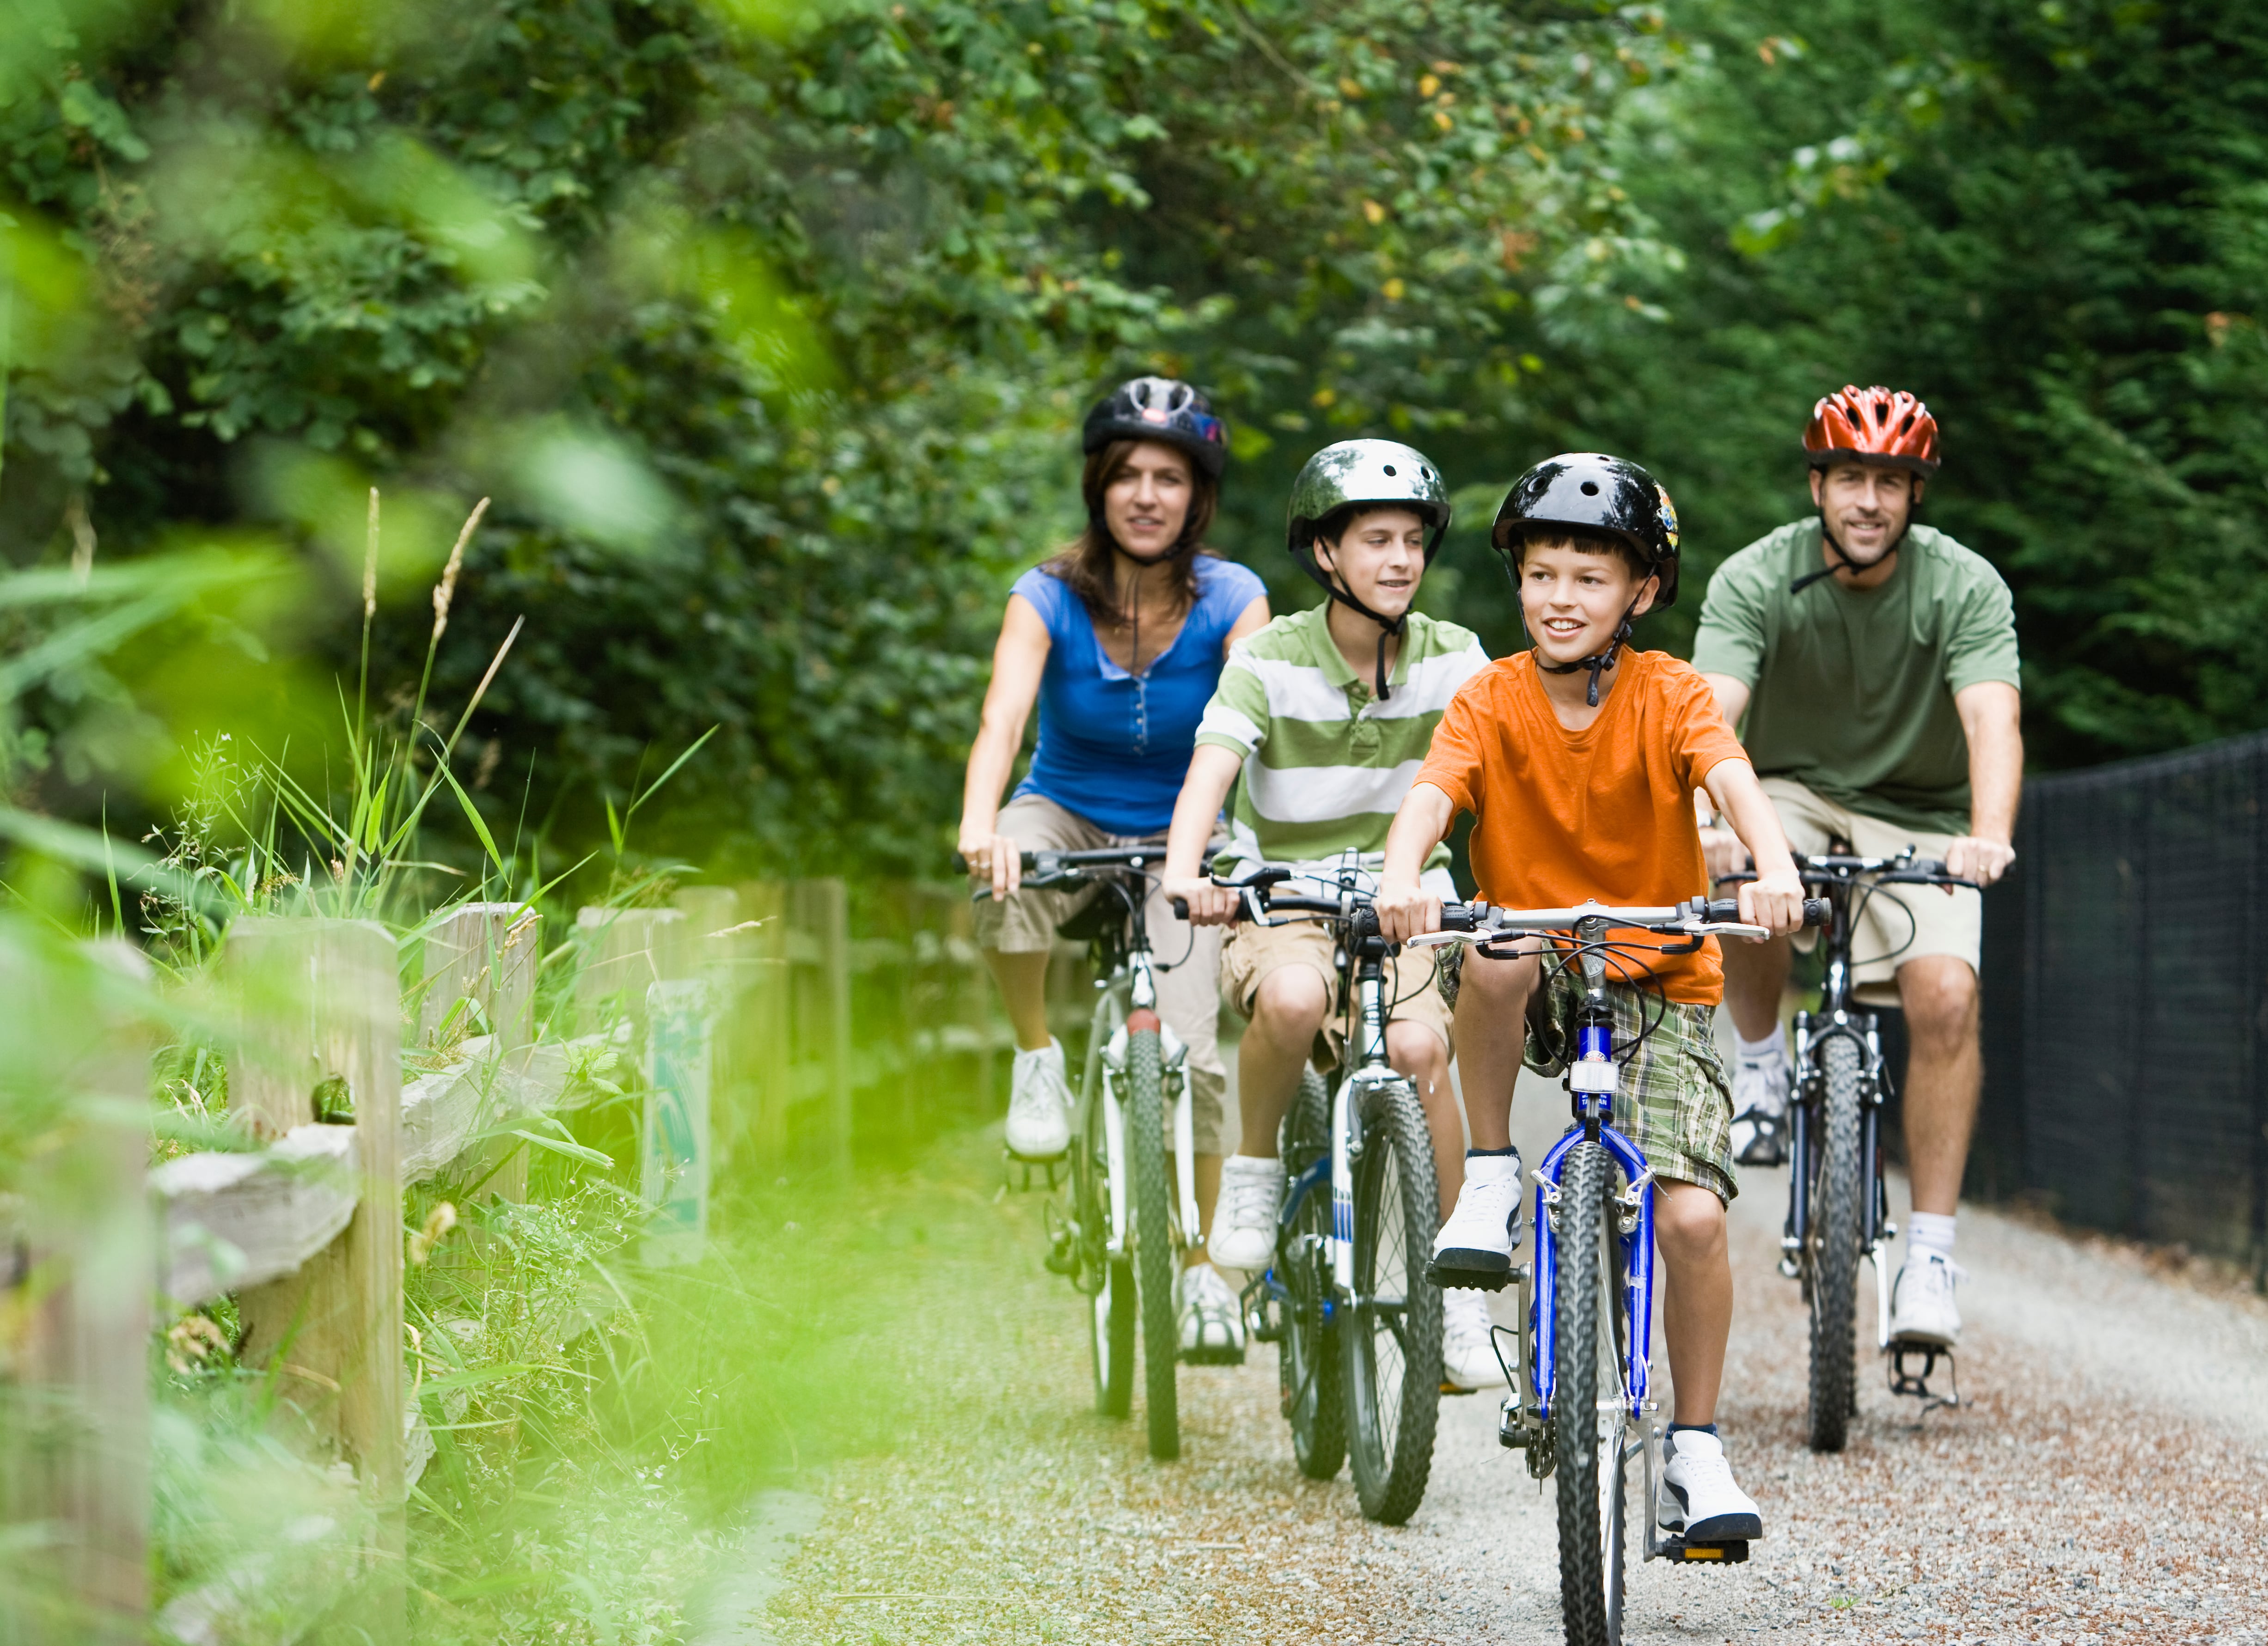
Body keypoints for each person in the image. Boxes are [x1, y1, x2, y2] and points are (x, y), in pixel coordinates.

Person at [1375, 451, 1807, 1544]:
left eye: (1589, 576)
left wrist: (1772, 860)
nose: (1560, 597)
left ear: (1643, 593)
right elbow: (1432, 797)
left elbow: (1728, 775)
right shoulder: (1492, 696)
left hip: (1657, 975)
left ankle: (1697, 1446)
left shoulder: (1672, 692)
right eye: (1541, 572)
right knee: (1498, 946)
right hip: (1544, 964)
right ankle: (1487, 1176)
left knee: (1693, 1212)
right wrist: (1398, 872)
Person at [1690, 385, 2020, 1349]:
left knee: (1946, 997)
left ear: (1916, 495)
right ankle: (1756, 1069)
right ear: (1816, 485)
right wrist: (1714, 819)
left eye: (1892, 480)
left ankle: (1930, 1254)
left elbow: (1990, 716)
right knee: (1750, 881)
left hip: (1920, 810)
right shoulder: (1757, 576)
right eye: (1850, 479)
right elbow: (1714, 711)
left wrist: (1988, 831)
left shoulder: (1964, 585)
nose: (1870, 500)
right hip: (1784, 787)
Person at [1160, 439, 1495, 1384]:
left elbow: (1510, 771)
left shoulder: (1454, 657)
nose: (1400, 560)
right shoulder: (1268, 660)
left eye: (1414, 542)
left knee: (1426, 1052)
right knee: (1297, 997)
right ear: (1325, 554)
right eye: (1376, 539)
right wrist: (1190, 873)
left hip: (1408, 900)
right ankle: (1257, 1172)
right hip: (1283, 899)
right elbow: (1210, 773)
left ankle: (1461, 1302)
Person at [958, 376, 1270, 1358]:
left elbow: (1260, 728)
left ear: (1197, 495)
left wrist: (1244, 853)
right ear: (1099, 486)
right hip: (1072, 812)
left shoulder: (1233, 596)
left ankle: (1201, 1270)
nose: (1146, 494)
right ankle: (1038, 1054)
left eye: (1168, 477)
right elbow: (1004, 716)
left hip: (1185, 839)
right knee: (1008, 874)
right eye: (1127, 474)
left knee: (1195, 1051)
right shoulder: (1045, 591)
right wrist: (983, 822)